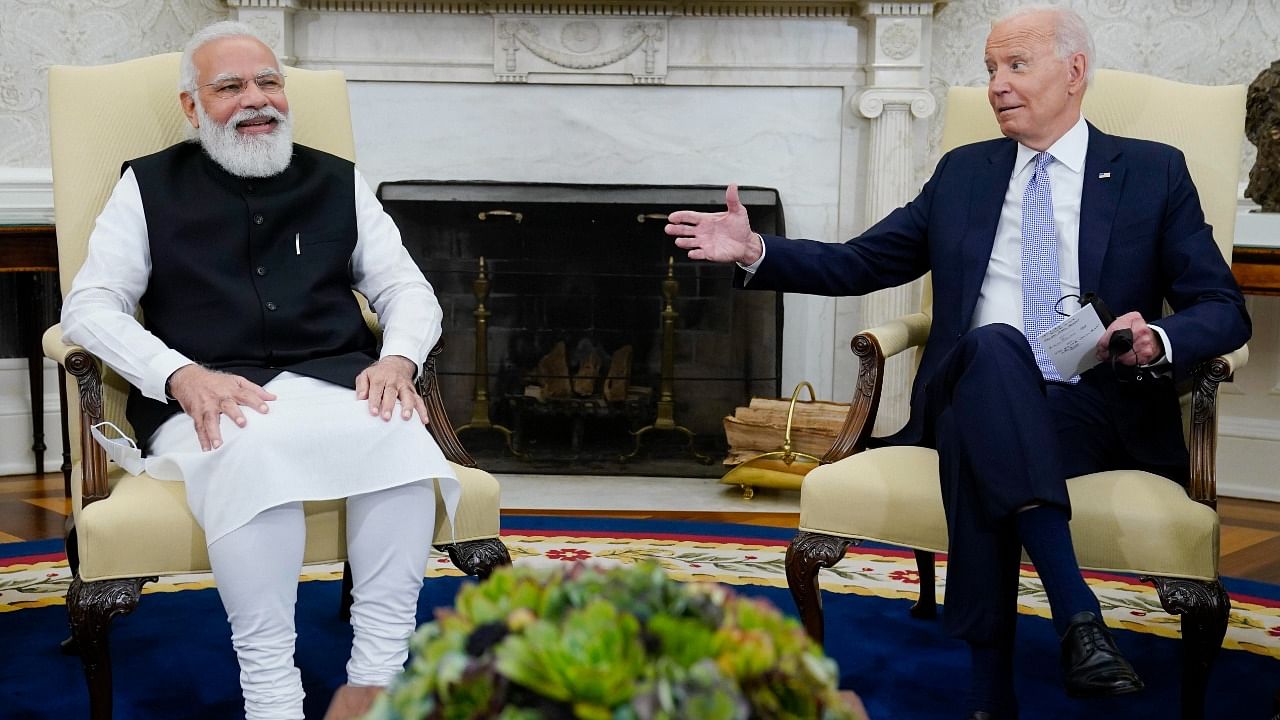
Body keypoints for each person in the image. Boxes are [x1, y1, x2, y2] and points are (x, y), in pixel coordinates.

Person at [665, 6, 1250, 719]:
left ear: (1074, 72)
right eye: (990, 70)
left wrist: (1156, 337)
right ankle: (1077, 616)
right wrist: (758, 252)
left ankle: (990, 697)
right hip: (968, 385)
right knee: (995, 348)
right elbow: (862, 261)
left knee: (987, 445)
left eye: (1016, 66)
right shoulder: (965, 172)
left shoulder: (1151, 173)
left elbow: (1222, 308)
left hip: (1094, 405)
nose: (998, 85)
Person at [60, 21, 458, 720]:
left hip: (335, 380)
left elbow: (407, 289)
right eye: (230, 87)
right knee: (249, 447)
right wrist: (179, 374)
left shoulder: (337, 179)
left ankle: (377, 681)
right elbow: (90, 307)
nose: (257, 99)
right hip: (208, 395)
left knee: (401, 437)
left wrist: (397, 356)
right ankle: (271, 694)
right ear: (191, 106)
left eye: (269, 82)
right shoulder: (147, 186)